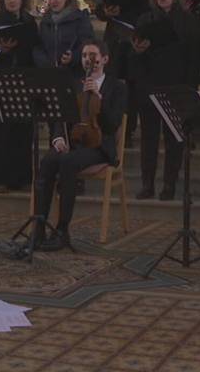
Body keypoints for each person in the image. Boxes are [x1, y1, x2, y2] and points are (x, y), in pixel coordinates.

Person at [35, 40, 127, 250]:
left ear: (104, 59)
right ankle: (39, 227)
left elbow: (113, 124)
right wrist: (58, 138)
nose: (88, 59)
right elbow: (61, 117)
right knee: (48, 161)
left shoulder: (117, 87)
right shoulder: (75, 84)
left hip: (100, 147)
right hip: (74, 143)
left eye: (92, 55)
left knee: (68, 162)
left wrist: (99, 99)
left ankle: (62, 231)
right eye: (85, 55)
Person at [130, 0, 199, 200]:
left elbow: (193, 57)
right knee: (148, 137)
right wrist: (138, 50)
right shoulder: (145, 19)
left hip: (176, 85)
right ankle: (147, 184)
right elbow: (135, 56)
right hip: (150, 84)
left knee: (173, 137)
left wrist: (190, 87)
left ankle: (169, 184)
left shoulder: (187, 20)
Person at [0, 0, 37, 193]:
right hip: (0, 79)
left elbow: (34, 47)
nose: (12, 1)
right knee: (0, 133)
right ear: (2, 1)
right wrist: (1, 50)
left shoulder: (29, 21)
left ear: (22, 0)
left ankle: (22, 179)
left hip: (23, 78)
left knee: (22, 131)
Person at [97, 0, 154, 142]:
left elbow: (152, 12)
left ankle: (129, 131)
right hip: (116, 40)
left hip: (137, 41)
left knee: (134, 87)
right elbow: (100, 10)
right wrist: (106, 12)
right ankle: (113, 130)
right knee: (113, 84)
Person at [34, 0, 94, 80]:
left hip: (74, 75)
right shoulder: (45, 21)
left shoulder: (80, 19)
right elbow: (39, 46)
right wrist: (45, 63)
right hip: (49, 74)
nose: (52, 1)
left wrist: (73, 57)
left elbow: (87, 44)